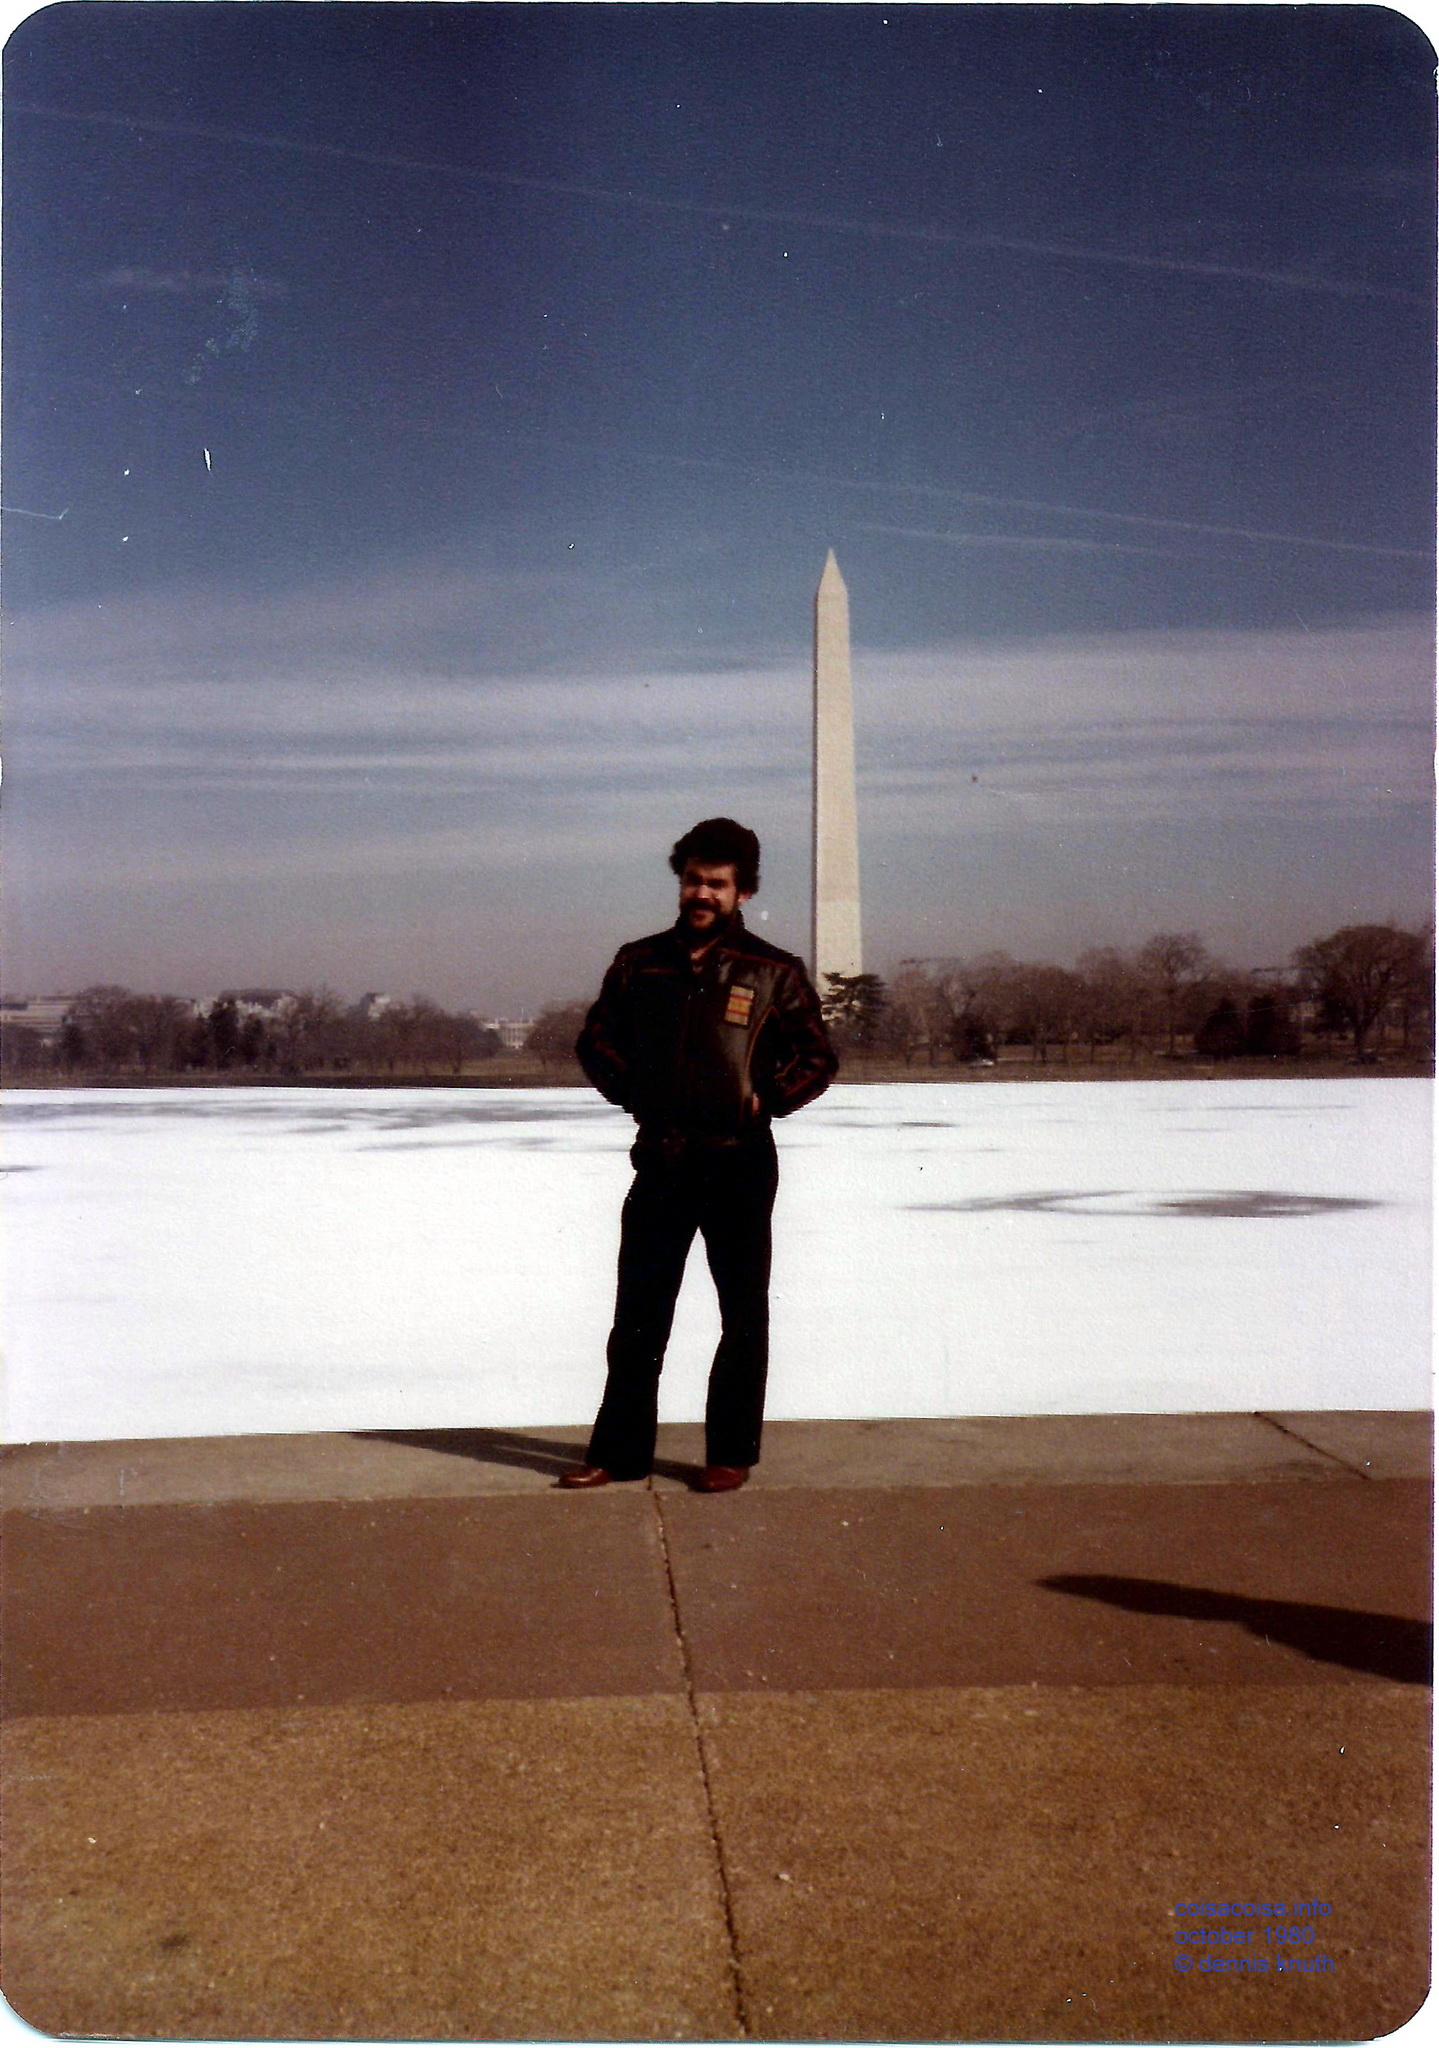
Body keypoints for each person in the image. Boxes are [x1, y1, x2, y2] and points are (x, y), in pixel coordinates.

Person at [561, 817, 838, 1492]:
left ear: (743, 893)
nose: (701, 894)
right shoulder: (639, 961)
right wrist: (634, 1092)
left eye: (717, 884)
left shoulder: (773, 971)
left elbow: (817, 1056)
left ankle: (729, 1453)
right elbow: (595, 1042)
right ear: (679, 882)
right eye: (692, 880)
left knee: (741, 1311)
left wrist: (764, 1098)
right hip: (661, 1157)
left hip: (739, 1161)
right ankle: (619, 1451)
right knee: (637, 1315)